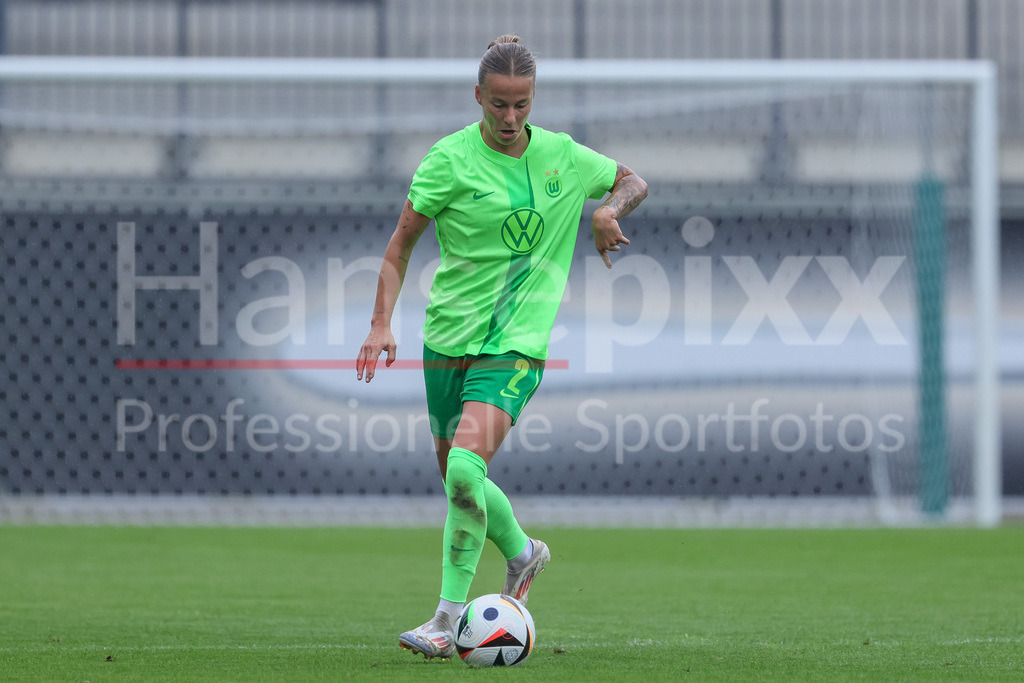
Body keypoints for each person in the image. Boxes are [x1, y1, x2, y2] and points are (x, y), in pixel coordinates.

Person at [356, 34, 648, 660]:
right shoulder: (448, 160)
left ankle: (444, 620)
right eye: (499, 106)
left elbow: (632, 180)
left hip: (515, 346)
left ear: (533, 98)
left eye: (522, 105)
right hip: (447, 339)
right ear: (479, 97)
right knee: (457, 482)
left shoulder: (564, 157)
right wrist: (381, 324)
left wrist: (607, 210)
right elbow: (401, 243)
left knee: (464, 471)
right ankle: (522, 552)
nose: (511, 119)